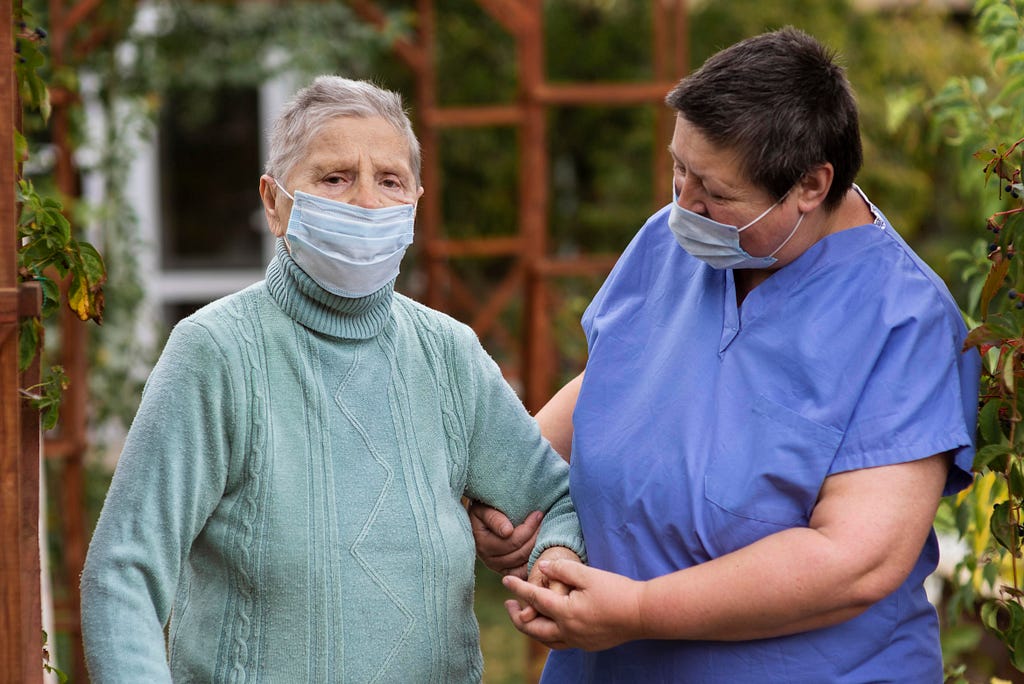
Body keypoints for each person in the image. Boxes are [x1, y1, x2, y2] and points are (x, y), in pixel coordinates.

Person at [473, 26, 981, 682]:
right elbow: (617, 379)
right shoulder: (672, 238)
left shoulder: (904, 321)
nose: (684, 203)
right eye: (678, 168)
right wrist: (510, 494)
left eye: (714, 191)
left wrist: (641, 608)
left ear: (810, 185)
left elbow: (855, 561)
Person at [79, 75, 585, 683]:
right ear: (273, 201)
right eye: (335, 178)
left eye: (390, 180)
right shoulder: (215, 353)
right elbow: (123, 573)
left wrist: (554, 551)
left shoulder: (449, 354)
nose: (368, 202)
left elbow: (557, 497)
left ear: (417, 201)